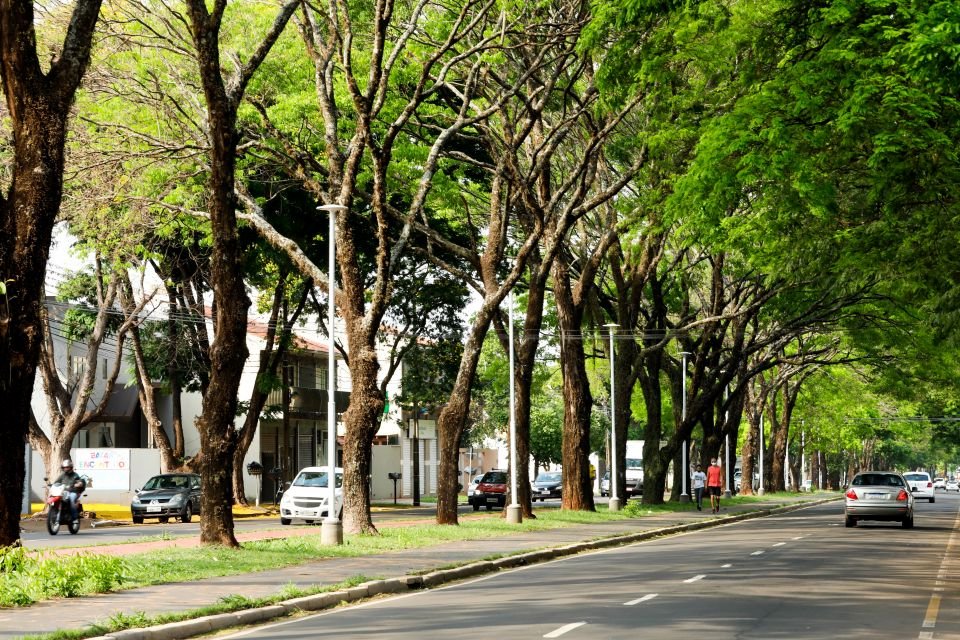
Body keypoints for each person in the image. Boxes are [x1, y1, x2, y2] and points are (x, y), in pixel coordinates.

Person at [53, 459, 85, 524]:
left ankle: (75, 517)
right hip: (63, 492)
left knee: (72, 499)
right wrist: (52, 485)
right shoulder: (62, 475)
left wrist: (79, 484)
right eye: (64, 467)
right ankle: (56, 514)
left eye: (67, 467)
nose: (66, 469)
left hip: (73, 492)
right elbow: (56, 482)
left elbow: (79, 481)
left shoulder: (75, 475)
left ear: (71, 467)